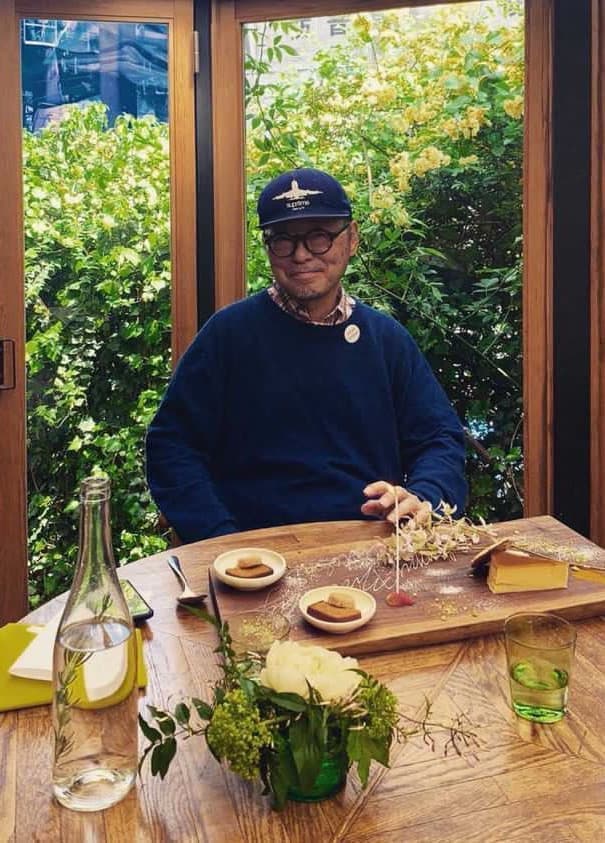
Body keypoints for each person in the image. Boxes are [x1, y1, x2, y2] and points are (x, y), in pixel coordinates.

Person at [146, 167, 467, 543]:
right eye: (283, 240)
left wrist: (424, 496)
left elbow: (439, 438)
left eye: (319, 237)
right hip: (254, 555)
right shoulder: (228, 335)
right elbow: (173, 446)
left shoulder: (386, 340)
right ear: (267, 247)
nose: (300, 255)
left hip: (372, 548)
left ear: (352, 239)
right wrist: (220, 539)